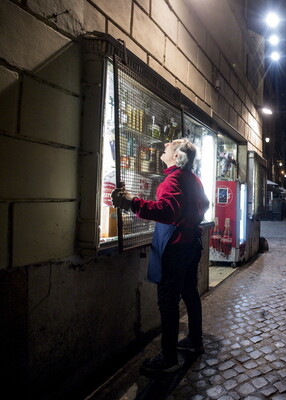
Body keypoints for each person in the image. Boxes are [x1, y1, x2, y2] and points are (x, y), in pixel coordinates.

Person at [111, 138, 210, 374]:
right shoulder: (193, 178)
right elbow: (204, 204)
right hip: (191, 244)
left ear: (177, 156)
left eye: (168, 147)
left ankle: (168, 357)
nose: (163, 147)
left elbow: (166, 210)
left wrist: (130, 203)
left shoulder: (173, 179)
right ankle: (195, 341)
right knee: (190, 293)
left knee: (168, 302)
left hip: (175, 247)